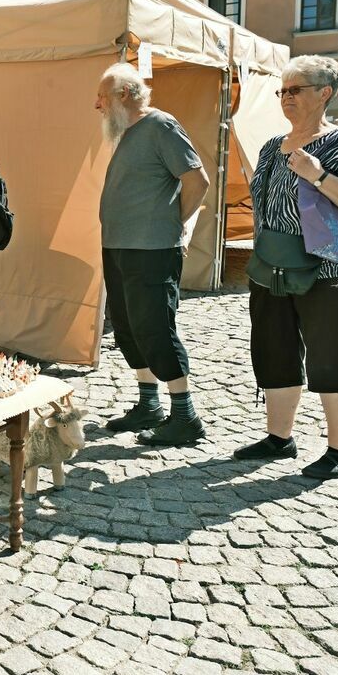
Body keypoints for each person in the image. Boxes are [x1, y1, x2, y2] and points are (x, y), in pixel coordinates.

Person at [234, 56, 338, 480]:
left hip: (328, 271)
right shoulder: (270, 146)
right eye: (283, 90)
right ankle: (279, 438)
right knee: (274, 351)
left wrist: (319, 176)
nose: (286, 97)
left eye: (295, 90)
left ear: (325, 93)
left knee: (331, 357)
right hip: (272, 266)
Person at [96, 63, 210, 446]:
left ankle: (185, 416)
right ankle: (149, 405)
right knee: (127, 326)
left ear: (124, 95)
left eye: (102, 96)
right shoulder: (128, 133)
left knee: (156, 327)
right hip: (120, 246)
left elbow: (197, 180)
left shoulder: (160, 125)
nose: (97, 105)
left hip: (153, 248)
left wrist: (170, 222)